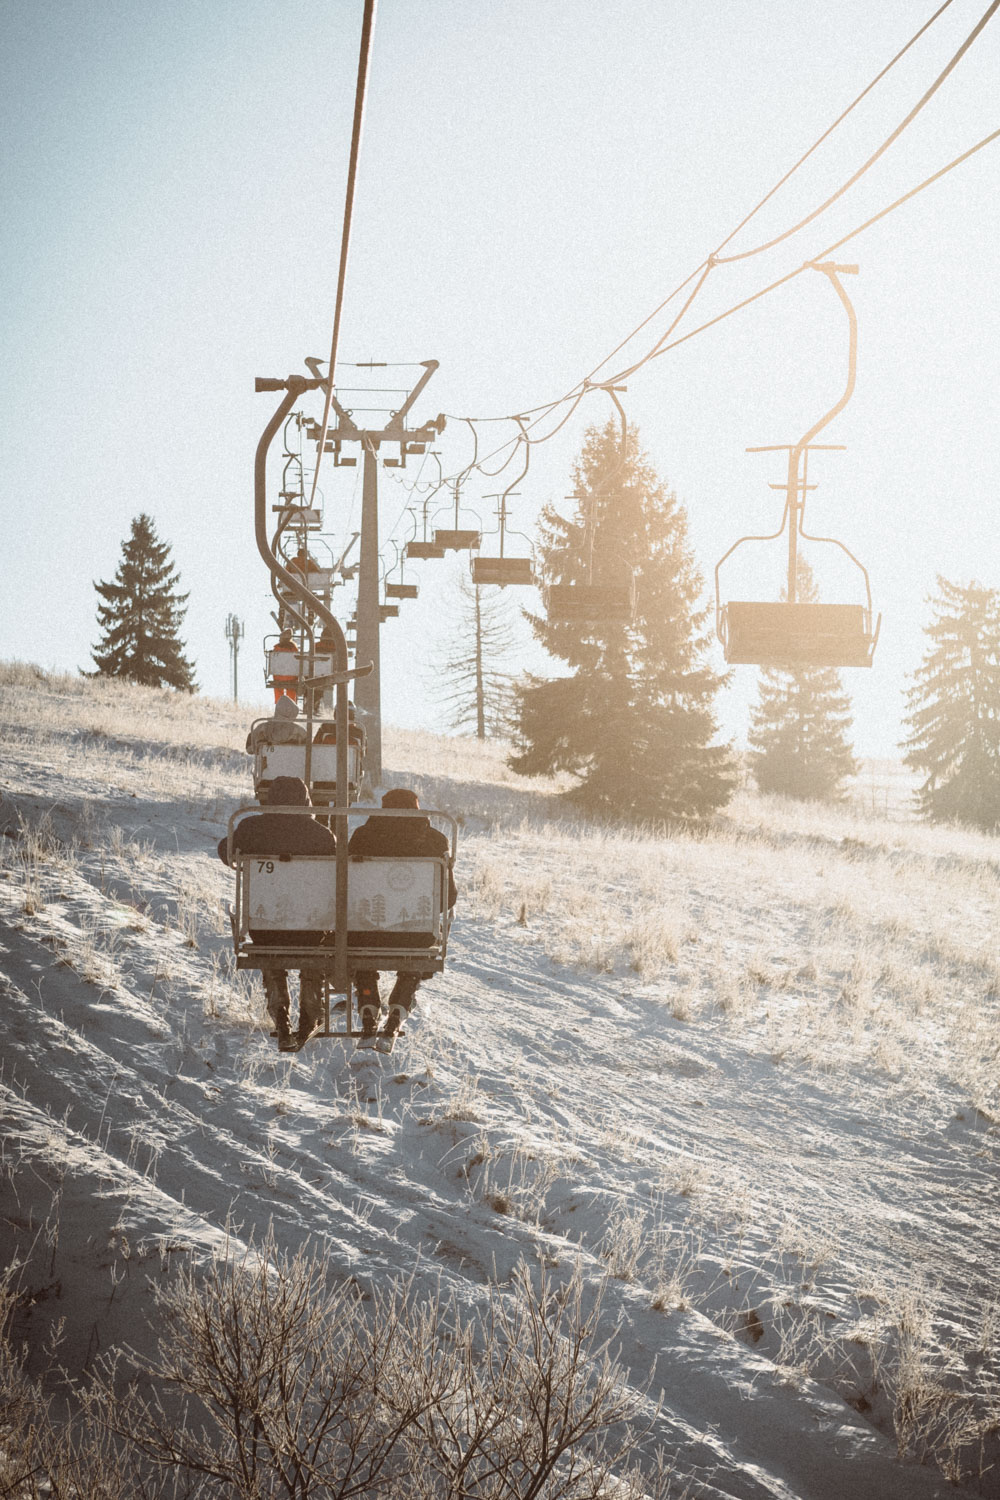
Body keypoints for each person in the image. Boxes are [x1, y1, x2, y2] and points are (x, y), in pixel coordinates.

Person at [218, 776, 336, 1052]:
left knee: (269, 949)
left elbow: (226, 850)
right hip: (310, 926)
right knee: (313, 949)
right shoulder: (320, 833)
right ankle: (310, 1015)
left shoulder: (250, 827)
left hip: (264, 924)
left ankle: (280, 1017)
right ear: (305, 801)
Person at [348, 788, 457, 1042]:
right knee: (417, 944)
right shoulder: (435, 841)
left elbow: (346, 888)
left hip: (366, 931)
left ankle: (367, 1004)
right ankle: (399, 1006)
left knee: (362, 939)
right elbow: (447, 898)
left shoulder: (362, 836)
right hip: (415, 934)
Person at [270, 627, 299, 702]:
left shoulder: (276, 648)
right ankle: (291, 703)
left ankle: (279, 702)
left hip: (278, 676)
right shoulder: (294, 648)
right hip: (291, 677)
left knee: (278, 688)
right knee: (291, 689)